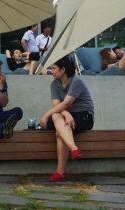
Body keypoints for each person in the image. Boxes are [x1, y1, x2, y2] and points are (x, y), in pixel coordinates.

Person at [38, 54, 95, 182]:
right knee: (57, 121)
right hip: (67, 117)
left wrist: (46, 115)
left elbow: (67, 103)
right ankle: (73, 148)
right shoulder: (54, 84)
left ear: (63, 69)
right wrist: (66, 114)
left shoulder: (76, 81)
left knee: (58, 126)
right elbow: (57, 105)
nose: (51, 71)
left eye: (54, 68)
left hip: (85, 116)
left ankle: (60, 171)